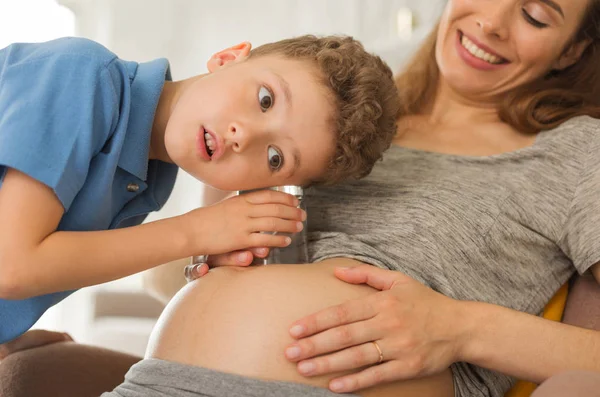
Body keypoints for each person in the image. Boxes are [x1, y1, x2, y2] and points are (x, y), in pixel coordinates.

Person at [2, 0, 600, 396]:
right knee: (28, 370)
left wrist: (460, 326)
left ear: (573, 49)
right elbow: (171, 278)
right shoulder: (328, 131)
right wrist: (217, 236)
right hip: (171, 374)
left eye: (535, 15)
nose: (492, 22)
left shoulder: (579, 155)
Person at [0, 34, 399, 343]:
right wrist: (194, 229)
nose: (245, 136)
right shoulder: (85, 76)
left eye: (275, 158)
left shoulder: (143, 182)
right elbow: (11, 266)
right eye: (265, 99)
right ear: (227, 57)